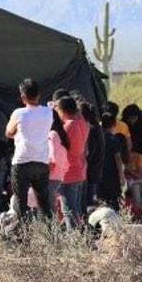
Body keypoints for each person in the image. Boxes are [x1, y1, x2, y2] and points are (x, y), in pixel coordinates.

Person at [5, 78, 54, 222]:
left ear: (22, 97)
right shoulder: (48, 113)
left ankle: (23, 240)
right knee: (44, 203)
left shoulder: (18, 113)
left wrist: (17, 134)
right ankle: (50, 238)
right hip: (41, 161)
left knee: (21, 203)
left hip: (22, 161)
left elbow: (8, 132)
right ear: (39, 94)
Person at [57, 95, 90, 231]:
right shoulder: (81, 122)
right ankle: (80, 237)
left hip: (68, 173)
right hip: (80, 171)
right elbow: (79, 114)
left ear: (63, 111)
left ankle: (74, 240)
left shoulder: (68, 127)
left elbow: (59, 148)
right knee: (76, 208)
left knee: (69, 210)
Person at [98, 113, 128, 211]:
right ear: (114, 125)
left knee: (101, 199)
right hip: (112, 173)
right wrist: (122, 175)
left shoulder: (97, 138)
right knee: (115, 198)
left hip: (99, 173)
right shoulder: (114, 139)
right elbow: (118, 158)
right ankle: (117, 218)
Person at [47, 109, 69, 219]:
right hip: (60, 175)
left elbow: (52, 160)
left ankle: (52, 234)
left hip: (51, 176)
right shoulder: (61, 133)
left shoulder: (52, 135)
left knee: (50, 209)